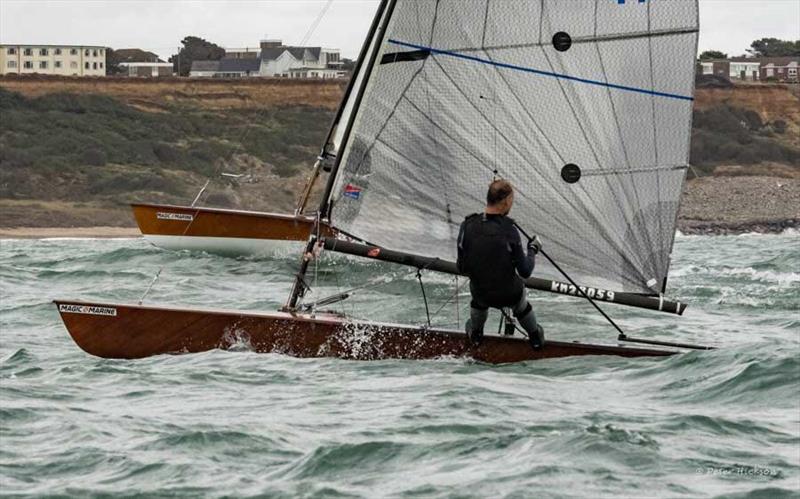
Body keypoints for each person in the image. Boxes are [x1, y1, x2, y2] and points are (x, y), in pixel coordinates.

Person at [456, 179, 545, 349]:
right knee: (520, 303)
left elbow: (462, 267)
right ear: (506, 201)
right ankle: (535, 337)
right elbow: (525, 271)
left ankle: (476, 334)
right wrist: (532, 249)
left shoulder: (466, 225)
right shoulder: (510, 230)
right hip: (509, 293)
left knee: (478, 298)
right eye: (512, 200)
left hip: (482, 293)